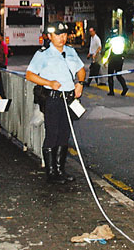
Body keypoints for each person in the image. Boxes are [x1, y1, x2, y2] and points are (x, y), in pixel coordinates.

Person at [25, 21, 85, 184]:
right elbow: (30, 75)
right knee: (53, 134)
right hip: (52, 99)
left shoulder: (71, 51)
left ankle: (60, 170)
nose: (62, 38)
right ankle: (51, 173)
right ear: (50, 36)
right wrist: (49, 83)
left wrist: (80, 83)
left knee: (65, 134)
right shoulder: (43, 54)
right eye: (58, 35)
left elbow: (81, 70)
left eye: (64, 35)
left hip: (68, 99)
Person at [103, 29, 128, 96]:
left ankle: (111, 91)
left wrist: (104, 61)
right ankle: (125, 87)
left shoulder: (110, 40)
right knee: (119, 75)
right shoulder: (122, 39)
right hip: (120, 58)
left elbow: (107, 52)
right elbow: (126, 48)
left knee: (110, 75)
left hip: (113, 59)